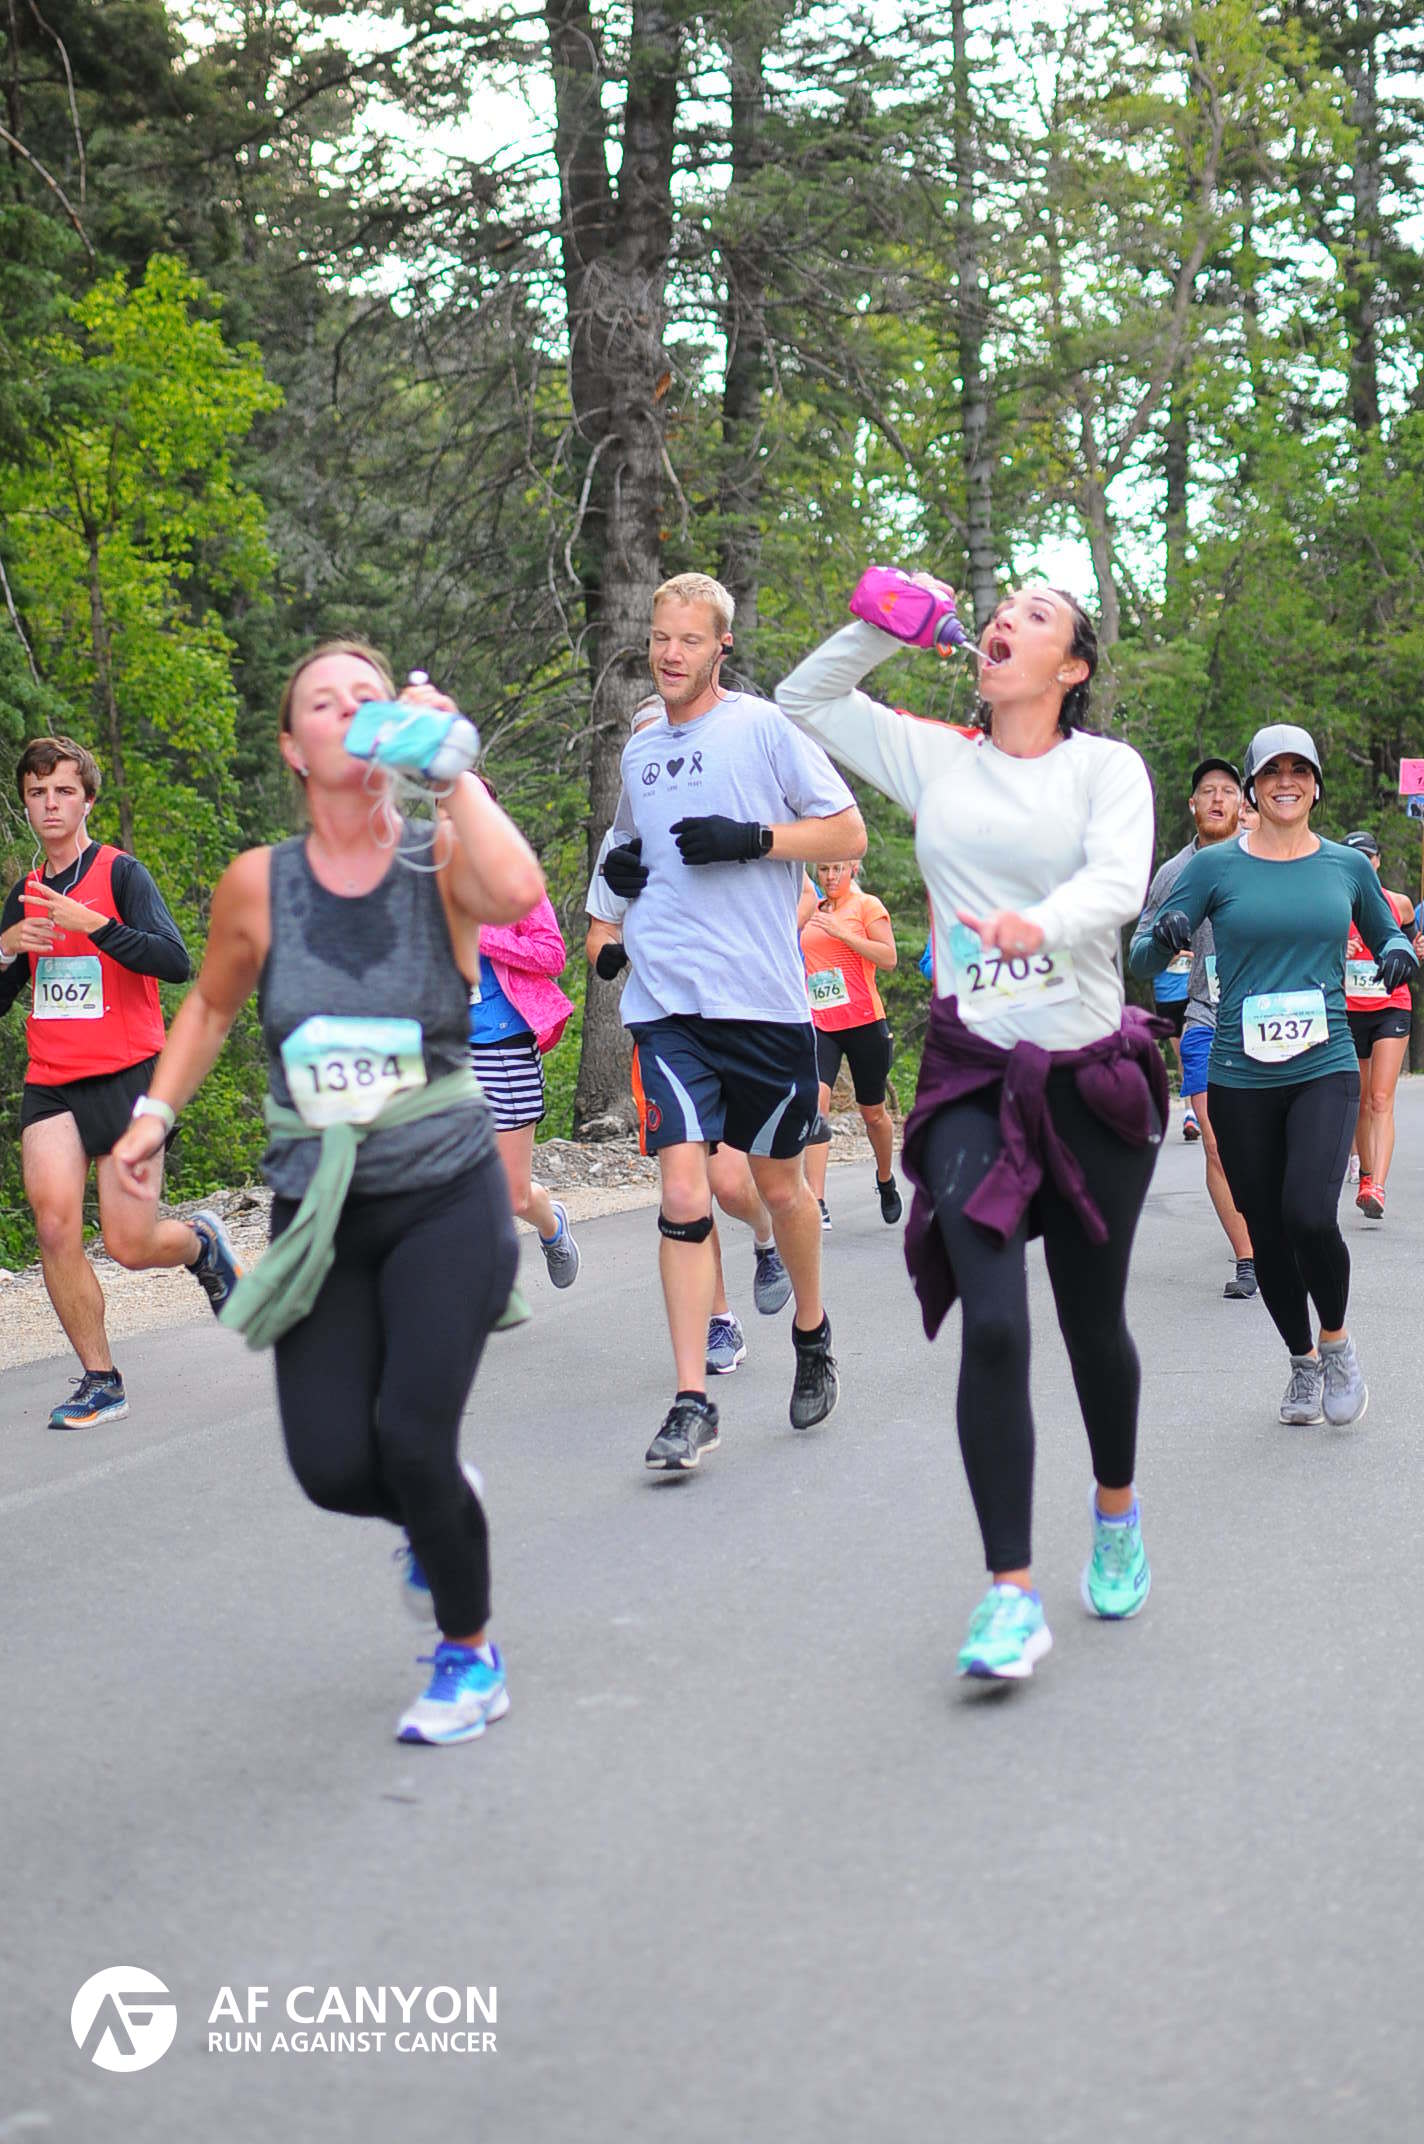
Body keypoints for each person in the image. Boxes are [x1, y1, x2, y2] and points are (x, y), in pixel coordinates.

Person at [111, 641, 544, 1747]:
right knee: (334, 1465)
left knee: (410, 1434)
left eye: (367, 698)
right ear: (294, 749)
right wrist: (153, 1117)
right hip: (320, 1208)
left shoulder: (438, 853)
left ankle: (469, 1654)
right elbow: (210, 1006)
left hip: (446, 1189)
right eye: (322, 701)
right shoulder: (258, 883)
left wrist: (451, 766)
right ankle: (440, 1509)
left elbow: (517, 892)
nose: (346, 711)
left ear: (390, 730)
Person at [778, 575, 1164, 1684]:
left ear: (1071, 668)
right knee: (992, 1327)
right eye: (1002, 609)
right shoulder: (936, 758)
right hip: (971, 1081)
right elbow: (805, 699)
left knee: (1092, 1323)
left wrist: (1038, 924)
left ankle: (1116, 1511)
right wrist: (878, 623)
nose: (1006, 619)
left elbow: (1118, 881)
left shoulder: (1105, 769)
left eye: (1037, 615)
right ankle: (1009, 1592)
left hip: (1088, 1079)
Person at [599, 572, 864, 1472]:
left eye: (690, 639)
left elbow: (848, 834)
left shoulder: (761, 728)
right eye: (659, 638)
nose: (670, 654)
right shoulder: (640, 751)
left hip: (762, 1003)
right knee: (683, 1193)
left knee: (782, 1192)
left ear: (722, 646)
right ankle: (691, 1401)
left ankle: (812, 1333)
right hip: (667, 1004)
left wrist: (754, 840)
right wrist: (621, 882)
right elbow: (625, 850)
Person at [1129, 726, 1416, 1430]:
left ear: (1316, 785)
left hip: (1323, 1063)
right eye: (1272, 771)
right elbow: (1140, 955)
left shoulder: (1345, 867)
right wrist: (1163, 936)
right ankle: (1301, 1360)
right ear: (1254, 789)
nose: (1286, 780)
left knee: (1310, 1214)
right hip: (1239, 1071)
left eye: (1299, 770)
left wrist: (1400, 954)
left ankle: (1336, 1342)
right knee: (1265, 1227)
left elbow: (1389, 933)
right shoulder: (1214, 867)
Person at [0, 735, 241, 1429]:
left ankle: (200, 1243)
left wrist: (96, 925)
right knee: (54, 1225)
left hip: (129, 1076)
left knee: (131, 1245)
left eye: (63, 791)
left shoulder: (122, 873)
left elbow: (175, 960)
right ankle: (100, 1379)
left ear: (88, 801)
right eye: (37, 793)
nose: (50, 804)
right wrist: (5, 948)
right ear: (25, 804)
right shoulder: (24, 894)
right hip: (52, 1082)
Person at [585, 699, 793, 1377]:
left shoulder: (732, 809)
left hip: (747, 1017)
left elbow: (793, 892)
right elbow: (598, 933)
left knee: (733, 1182)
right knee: (688, 1186)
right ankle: (718, 1319)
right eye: (647, 748)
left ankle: (764, 1233)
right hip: (668, 1027)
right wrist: (614, 954)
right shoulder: (624, 841)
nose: (663, 761)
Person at [1134, 758, 1257, 1299]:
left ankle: (1280, 1230)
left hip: (1269, 1019)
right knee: (1216, 1143)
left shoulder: (1266, 856)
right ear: (1192, 805)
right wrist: (1163, 939)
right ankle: (1249, 1258)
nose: (1216, 799)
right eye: (1206, 790)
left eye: (1227, 790)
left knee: (1273, 1144)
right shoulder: (1174, 873)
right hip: (1207, 1016)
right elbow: (1140, 951)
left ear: (1242, 803)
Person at [468, 774, 580, 1287]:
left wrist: (486, 936)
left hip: (503, 1044)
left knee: (512, 1194)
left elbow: (552, 954)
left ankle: (551, 1224)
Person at [798, 859, 902, 1227]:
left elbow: (889, 958)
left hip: (865, 1023)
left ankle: (886, 1179)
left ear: (853, 868)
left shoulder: (867, 906)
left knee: (873, 1114)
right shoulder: (809, 909)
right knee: (816, 1100)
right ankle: (816, 1202)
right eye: (824, 869)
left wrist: (844, 934)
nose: (830, 877)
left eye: (837, 869)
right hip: (820, 1024)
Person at [1339, 831, 1415, 1221]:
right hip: (1349, 1012)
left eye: (1368, 857)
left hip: (1391, 1007)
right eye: (1355, 858)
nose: (1363, 864)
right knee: (1360, 1099)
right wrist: (1338, 950)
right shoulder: (1333, 906)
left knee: (1381, 1099)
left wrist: (1416, 949)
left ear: (1378, 861)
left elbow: (1410, 948)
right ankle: (1366, 1171)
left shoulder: (1398, 903)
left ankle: (1376, 1186)